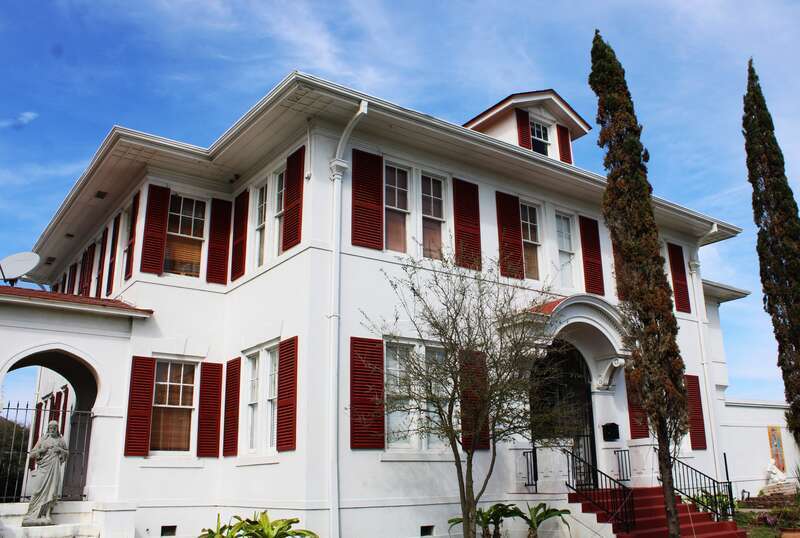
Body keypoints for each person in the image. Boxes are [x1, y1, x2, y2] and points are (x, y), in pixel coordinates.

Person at [22, 420, 68, 526]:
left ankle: (47, 515)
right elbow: (32, 454)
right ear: (48, 428)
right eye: (50, 428)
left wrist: (60, 450)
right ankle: (31, 513)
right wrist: (42, 450)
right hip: (43, 468)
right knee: (37, 490)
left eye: (54, 428)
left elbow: (67, 452)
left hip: (54, 468)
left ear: (57, 429)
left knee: (51, 491)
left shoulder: (60, 440)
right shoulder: (43, 439)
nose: (52, 430)